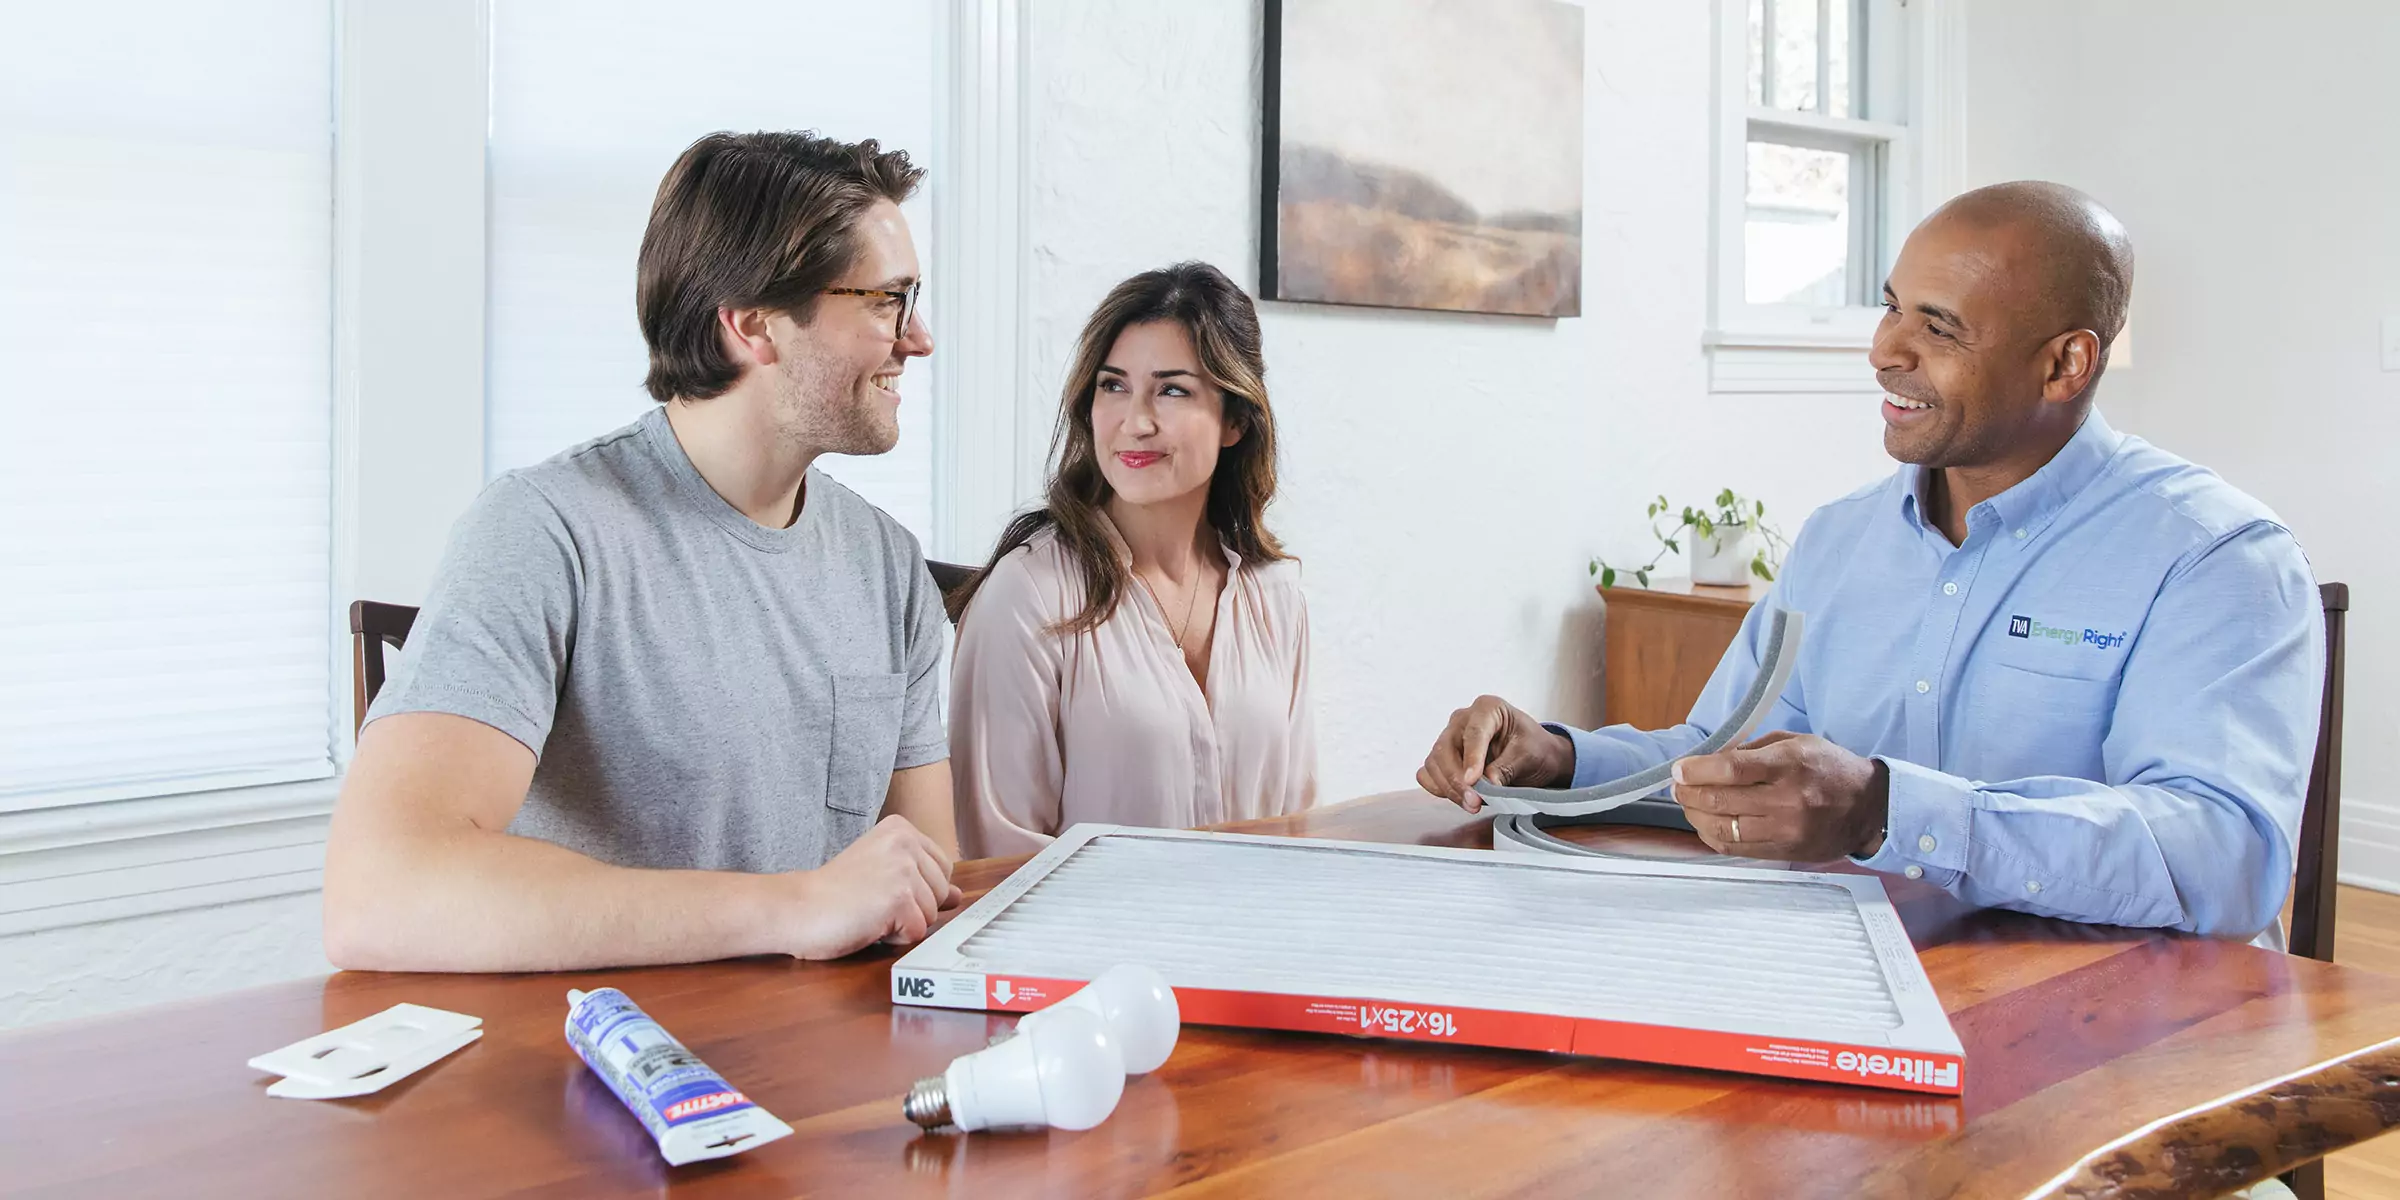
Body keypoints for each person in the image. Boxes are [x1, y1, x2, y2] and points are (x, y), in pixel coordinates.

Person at [1418, 181, 2324, 940]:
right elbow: (1721, 752)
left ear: (2067, 364)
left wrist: (1886, 810)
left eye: (1940, 328)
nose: (1885, 350)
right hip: (1853, 983)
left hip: (2103, 1047)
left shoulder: (2217, 559)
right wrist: (1563, 759)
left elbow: (2222, 856)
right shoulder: (1841, 537)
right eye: (1893, 305)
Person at [321, 131, 962, 972]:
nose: (919, 340)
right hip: (603, 1071)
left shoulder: (886, 565)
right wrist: (790, 906)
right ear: (753, 326)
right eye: (887, 300)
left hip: (820, 1065)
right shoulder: (545, 531)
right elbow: (378, 893)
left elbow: (930, 879)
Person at [948, 262, 1316, 857]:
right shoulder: (1029, 596)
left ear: (1236, 421)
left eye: (1172, 390)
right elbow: (993, 855)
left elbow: (1298, 823)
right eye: (1112, 385)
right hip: (1080, 949)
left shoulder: (1274, 597)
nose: (1134, 422)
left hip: (1254, 940)